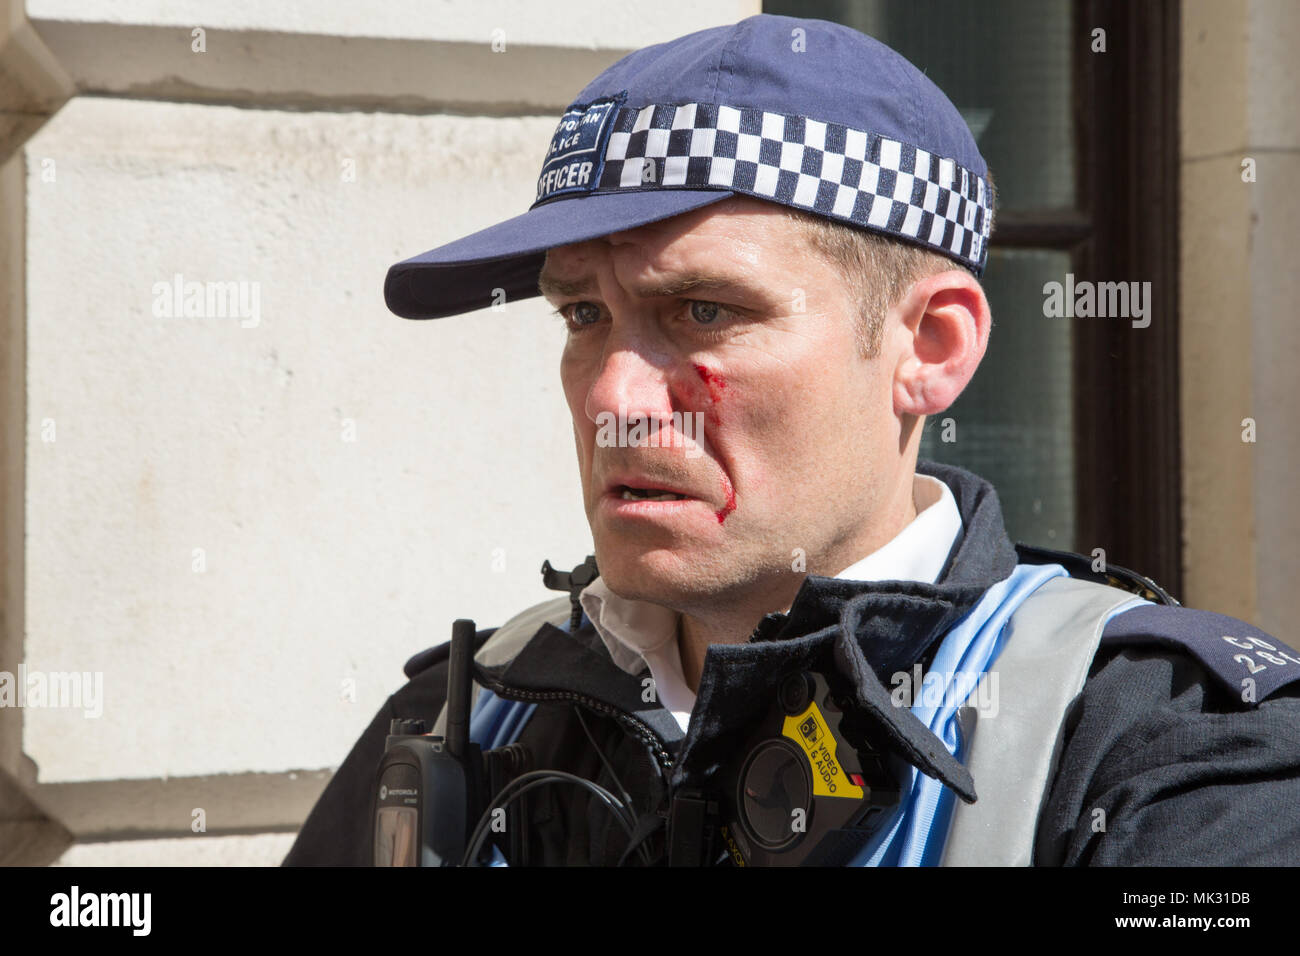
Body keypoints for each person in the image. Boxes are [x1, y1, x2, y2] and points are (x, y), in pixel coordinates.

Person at [284, 13, 1300, 867]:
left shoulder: (1162, 748)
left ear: (930, 347)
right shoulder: (465, 716)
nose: (616, 395)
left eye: (704, 311)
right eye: (581, 315)